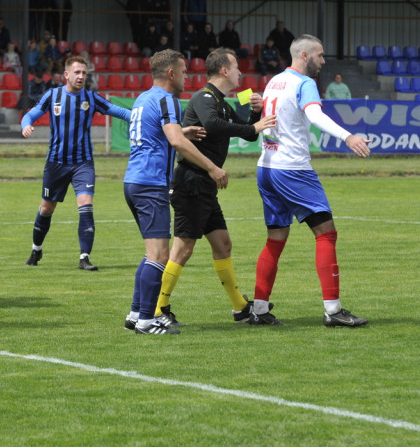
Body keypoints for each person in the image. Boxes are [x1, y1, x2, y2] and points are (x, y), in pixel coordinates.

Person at [250, 34, 371, 328]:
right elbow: (314, 114)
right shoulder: (305, 84)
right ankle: (333, 310)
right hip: (292, 169)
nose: (324, 60)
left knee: (276, 238)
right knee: (326, 233)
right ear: (304, 55)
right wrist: (348, 136)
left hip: (266, 167)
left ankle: (260, 308)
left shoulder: (274, 81)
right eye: (320, 54)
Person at [156, 48, 275, 325]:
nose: (240, 73)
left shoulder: (220, 101)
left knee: (223, 244)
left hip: (204, 185)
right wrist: (255, 126)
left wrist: (251, 110)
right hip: (191, 182)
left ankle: (240, 309)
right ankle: (158, 308)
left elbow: (243, 130)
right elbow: (213, 124)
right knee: (183, 249)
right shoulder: (204, 97)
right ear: (224, 71)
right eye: (236, 68)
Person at [123, 49, 228, 335]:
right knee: (159, 255)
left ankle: (135, 314)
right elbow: (175, 142)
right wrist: (212, 168)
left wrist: (183, 132)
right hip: (150, 184)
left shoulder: (144, 98)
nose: (187, 76)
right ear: (171, 73)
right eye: (183, 71)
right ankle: (147, 321)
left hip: (133, 182)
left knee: (150, 254)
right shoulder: (168, 98)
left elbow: (164, 135)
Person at [21, 55, 132, 270]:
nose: (81, 76)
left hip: (83, 163)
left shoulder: (91, 98)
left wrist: (142, 115)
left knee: (86, 205)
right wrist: (25, 126)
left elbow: (120, 112)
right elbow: (31, 115)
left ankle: (84, 258)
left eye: (84, 73)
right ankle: (36, 249)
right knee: (46, 207)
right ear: (66, 75)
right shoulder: (52, 96)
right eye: (77, 72)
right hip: (56, 163)